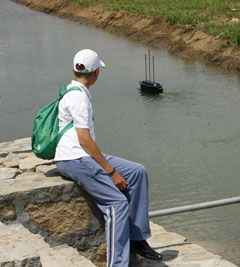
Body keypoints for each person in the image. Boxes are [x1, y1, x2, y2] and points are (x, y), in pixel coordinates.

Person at [54, 49, 162, 266]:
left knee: (137, 172)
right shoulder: (78, 98)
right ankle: (118, 263)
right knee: (117, 203)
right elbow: (84, 140)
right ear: (96, 74)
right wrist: (110, 171)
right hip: (74, 159)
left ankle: (137, 238)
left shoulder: (75, 90)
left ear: (74, 70)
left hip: (82, 155)